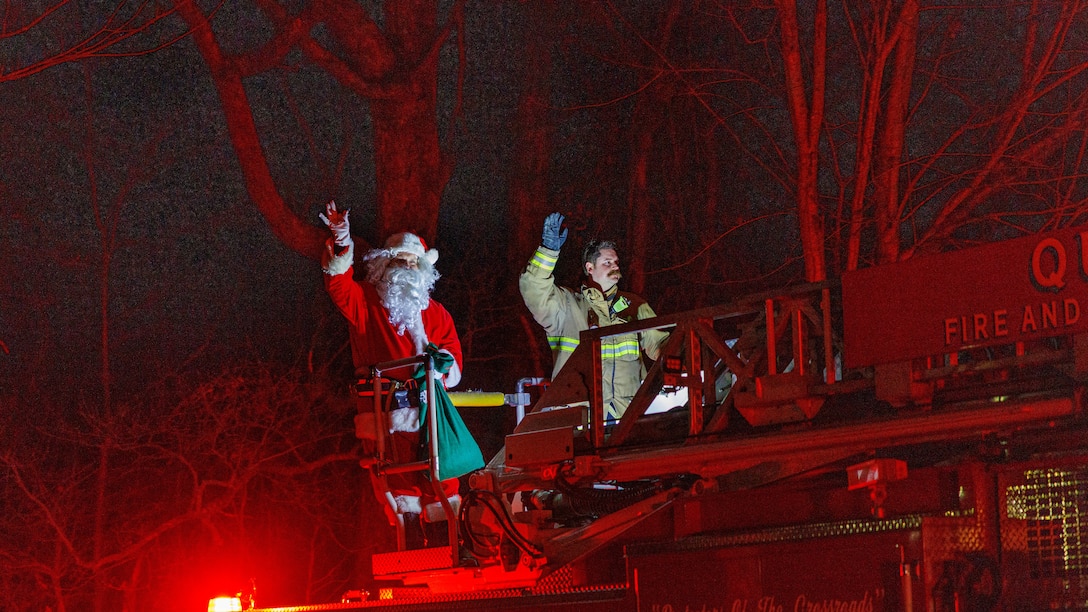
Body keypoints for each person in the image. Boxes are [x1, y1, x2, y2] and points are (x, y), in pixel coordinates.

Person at [320, 200, 478, 542]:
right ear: (383, 265)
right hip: (388, 413)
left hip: (431, 412)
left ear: (422, 269)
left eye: (412, 262)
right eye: (399, 260)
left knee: (443, 478)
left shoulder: (437, 313)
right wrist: (342, 241)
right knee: (400, 486)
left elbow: (453, 358)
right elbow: (337, 285)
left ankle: (450, 537)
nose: (406, 266)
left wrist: (440, 368)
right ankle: (413, 542)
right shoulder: (364, 303)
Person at [519, 212, 668, 423]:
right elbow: (533, 288)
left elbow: (662, 344)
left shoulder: (635, 306)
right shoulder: (566, 305)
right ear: (590, 268)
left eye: (616, 262)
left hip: (629, 416)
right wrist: (548, 251)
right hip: (580, 418)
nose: (615, 266)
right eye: (607, 262)